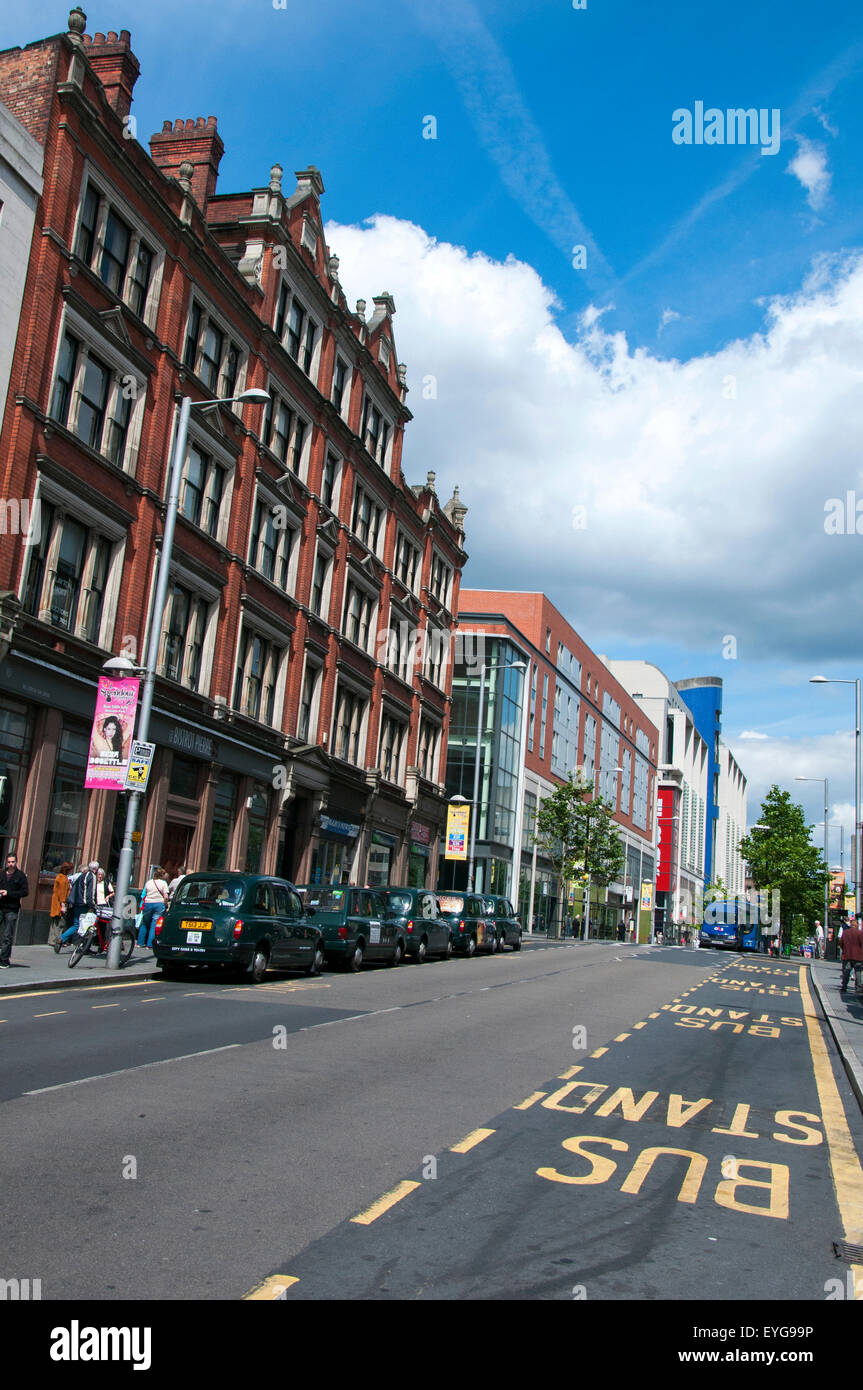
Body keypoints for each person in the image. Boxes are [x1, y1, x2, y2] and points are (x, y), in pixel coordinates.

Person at [0, 851, 29, 968]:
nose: (11, 864)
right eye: (9, 862)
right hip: (0, 906)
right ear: (6, 863)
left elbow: (25, 892)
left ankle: (4, 959)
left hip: (12, 909)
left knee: (7, 935)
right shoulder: (2, 874)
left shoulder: (20, 876)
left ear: (16, 862)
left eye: (13, 862)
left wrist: (9, 893)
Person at [60, 861, 99, 946]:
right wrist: (92, 905)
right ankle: (85, 946)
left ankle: (62, 938)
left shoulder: (82, 875)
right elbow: (91, 892)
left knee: (77, 925)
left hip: (77, 904)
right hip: (85, 905)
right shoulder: (92, 876)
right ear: (95, 869)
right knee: (89, 925)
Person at [138, 868, 169, 950]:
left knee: (144, 923)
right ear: (162, 875)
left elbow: (145, 893)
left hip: (148, 903)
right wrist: (166, 904)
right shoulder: (163, 883)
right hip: (159, 904)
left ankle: (140, 943)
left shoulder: (149, 882)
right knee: (154, 924)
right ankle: (149, 945)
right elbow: (166, 896)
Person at [49, 860, 73, 951]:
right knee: (60, 922)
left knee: (55, 922)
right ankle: (57, 940)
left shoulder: (59, 877)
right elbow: (62, 893)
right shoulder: (63, 879)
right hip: (60, 903)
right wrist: (63, 905)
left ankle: (52, 940)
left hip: (55, 902)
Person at [840, 917, 863, 994]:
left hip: (847, 955)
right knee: (858, 972)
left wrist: (844, 950)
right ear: (857, 925)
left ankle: (844, 986)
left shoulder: (845, 932)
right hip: (858, 956)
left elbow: (841, 943)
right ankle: (858, 988)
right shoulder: (860, 933)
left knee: (846, 971)